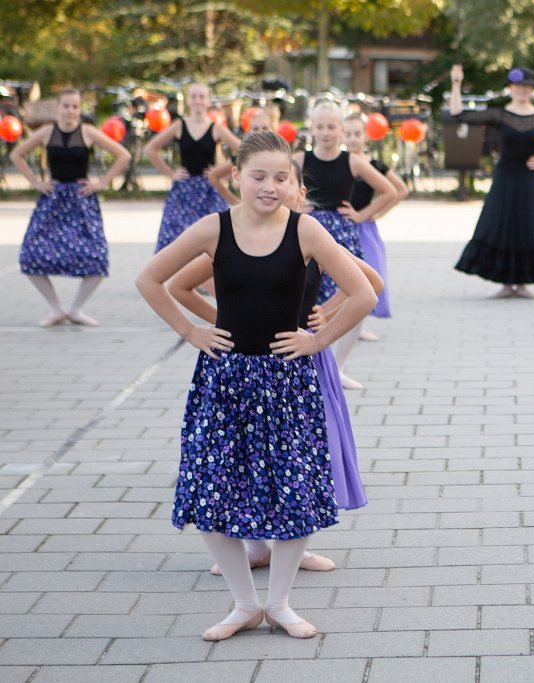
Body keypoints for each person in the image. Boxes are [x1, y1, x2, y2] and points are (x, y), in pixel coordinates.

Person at [136, 131, 378, 641]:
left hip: (288, 380)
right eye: (259, 176)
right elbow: (152, 280)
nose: (270, 187)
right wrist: (193, 329)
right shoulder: (213, 228)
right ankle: (244, 603)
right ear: (237, 177)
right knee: (209, 486)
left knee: (297, 488)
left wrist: (317, 342)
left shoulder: (306, 230)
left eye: (281, 178)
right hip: (224, 379)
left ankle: (279, 603)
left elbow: (363, 292)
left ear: (294, 183)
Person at [449, 64, 534, 299]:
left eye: (526, 86)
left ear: (531, 89)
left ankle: (523, 284)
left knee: (530, 226)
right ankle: (507, 284)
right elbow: (458, 115)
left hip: (529, 180)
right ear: (510, 88)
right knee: (502, 225)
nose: (522, 90)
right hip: (505, 179)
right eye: (518, 86)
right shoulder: (500, 115)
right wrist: (456, 83)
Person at [294, 101, 396, 389]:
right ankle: (313, 362)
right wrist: (297, 208)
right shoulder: (300, 160)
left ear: (341, 130)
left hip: (341, 234)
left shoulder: (352, 161)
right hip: (308, 233)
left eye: (331, 127)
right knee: (310, 300)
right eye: (320, 126)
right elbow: (285, 188)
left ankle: (338, 367)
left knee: (352, 294)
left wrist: (362, 215)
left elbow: (390, 190)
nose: (326, 132)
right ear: (311, 128)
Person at [11, 87, 131, 327]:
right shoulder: (46, 132)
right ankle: (56, 309)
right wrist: (35, 182)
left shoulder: (87, 132)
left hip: (81, 201)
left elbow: (123, 155)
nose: (70, 111)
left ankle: (76, 309)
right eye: (66, 106)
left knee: (96, 257)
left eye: (75, 106)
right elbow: (17, 155)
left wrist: (103, 182)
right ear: (58, 108)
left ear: (80, 109)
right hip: (53, 200)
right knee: (30, 254)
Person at [145, 83, 241, 251]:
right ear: (188, 100)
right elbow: (150, 149)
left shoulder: (216, 128)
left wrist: (221, 172)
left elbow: (243, 151)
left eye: (202, 96)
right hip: (184, 190)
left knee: (216, 239)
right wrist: (170, 173)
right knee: (175, 238)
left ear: (209, 101)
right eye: (194, 96)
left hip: (209, 190)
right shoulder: (179, 125)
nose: (198, 100)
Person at [342, 113, 409, 338]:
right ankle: (341, 324)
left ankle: (358, 325)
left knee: (367, 273)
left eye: (357, 134)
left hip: (362, 229)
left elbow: (400, 190)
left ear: (366, 137)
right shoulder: (338, 163)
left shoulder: (373, 165)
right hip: (337, 226)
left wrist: (371, 214)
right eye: (348, 133)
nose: (352, 138)